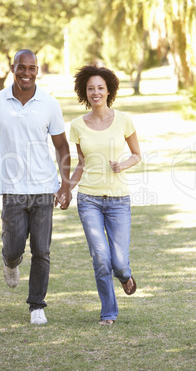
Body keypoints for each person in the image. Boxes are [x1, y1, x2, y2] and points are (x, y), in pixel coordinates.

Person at [0, 49, 71, 325]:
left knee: (42, 250)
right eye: (22, 67)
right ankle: (10, 262)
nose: (27, 73)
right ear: (13, 68)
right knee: (14, 247)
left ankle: (37, 306)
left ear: (37, 70)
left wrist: (65, 185)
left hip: (44, 187)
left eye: (32, 68)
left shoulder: (50, 104)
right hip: (12, 188)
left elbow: (61, 146)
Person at [69, 65, 141, 325]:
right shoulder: (77, 125)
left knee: (119, 262)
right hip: (88, 199)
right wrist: (66, 188)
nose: (95, 92)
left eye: (100, 87)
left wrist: (123, 164)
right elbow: (80, 163)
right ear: (84, 92)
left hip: (118, 199)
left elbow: (137, 155)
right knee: (101, 256)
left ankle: (125, 275)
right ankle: (108, 312)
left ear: (109, 90)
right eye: (91, 88)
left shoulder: (124, 120)